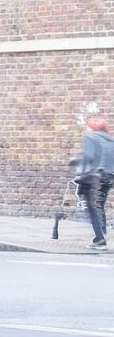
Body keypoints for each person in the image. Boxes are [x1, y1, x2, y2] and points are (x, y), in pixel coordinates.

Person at [75, 102, 114, 250]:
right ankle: (101, 235)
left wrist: (81, 173)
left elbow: (88, 156)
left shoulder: (90, 138)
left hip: (93, 178)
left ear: (92, 127)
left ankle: (100, 239)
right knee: (99, 206)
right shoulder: (111, 141)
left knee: (92, 208)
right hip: (108, 178)